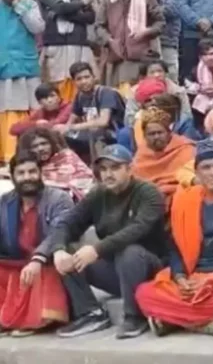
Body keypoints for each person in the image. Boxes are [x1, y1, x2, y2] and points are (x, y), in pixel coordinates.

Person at [49, 145, 166, 339]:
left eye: (114, 168)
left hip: (150, 270)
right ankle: (91, 313)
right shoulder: (98, 194)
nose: (108, 174)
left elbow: (137, 230)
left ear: (129, 169)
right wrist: (59, 249)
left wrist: (97, 249)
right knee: (68, 252)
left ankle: (134, 317)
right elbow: (68, 222)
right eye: (103, 169)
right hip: (114, 271)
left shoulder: (149, 193)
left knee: (130, 251)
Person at [135, 139, 213, 338]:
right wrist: (179, 278)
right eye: (206, 167)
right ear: (197, 173)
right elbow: (174, 245)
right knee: (144, 293)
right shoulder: (185, 199)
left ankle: (173, 320)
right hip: (190, 275)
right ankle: (203, 323)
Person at [0, 153, 74, 335]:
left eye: (32, 171)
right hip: (18, 261)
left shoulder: (58, 198)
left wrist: (38, 258)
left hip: (48, 260)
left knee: (44, 268)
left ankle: (35, 321)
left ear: (41, 173)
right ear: (12, 176)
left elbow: (60, 232)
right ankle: (6, 320)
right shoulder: (5, 202)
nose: (27, 177)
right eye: (21, 173)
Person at [36, 0, 97, 103]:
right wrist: (81, 4)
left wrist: (63, 12)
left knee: (83, 87)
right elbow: (60, 7)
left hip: (79, 45)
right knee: (58, 89)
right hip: (57, 47)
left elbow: (90, 17)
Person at [98, 0, 164, 89]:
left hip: (143, 57)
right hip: (118, 58)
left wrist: (147, 31)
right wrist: (109, 40)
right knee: (120, 96)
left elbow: (160, 22)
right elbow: (99, 25)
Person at [0, 0, 44, 162]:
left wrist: (19, 7)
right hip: (4, 69)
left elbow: (38, 28)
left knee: (32, 110)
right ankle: (9, 156)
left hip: (27, 67)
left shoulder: (29, 4)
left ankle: (32, 154)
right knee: (8, 110)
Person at [131, 107, 197, 207]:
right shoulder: (141, 153)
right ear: (144, 136)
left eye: (160, 132)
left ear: (169, 133)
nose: (156, 137)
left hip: (181, 200)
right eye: (151, 134)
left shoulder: (185, 149)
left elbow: (189, 179)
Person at [62, 62, 126, 161]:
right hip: (92, 134)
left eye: (87, 77)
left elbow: (103, 121)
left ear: (93, 77)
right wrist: (63, 129)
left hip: (112, 134)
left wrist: (73, 127)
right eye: (79, 79)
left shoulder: (105, 93)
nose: (84, 81)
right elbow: (71, 120)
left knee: (95, 133)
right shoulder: (80, 96)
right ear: (74, 81)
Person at [16, 127, 94, 202]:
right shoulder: (26, 165)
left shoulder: (67, 157)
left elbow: (87, 180)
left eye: (44, 143)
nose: (41, 148)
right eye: (35, 146)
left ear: (51, 144)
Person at [124, 60, 192, 128]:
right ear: (145, 76)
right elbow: (130, 118)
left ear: (165, 73)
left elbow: (186, 114)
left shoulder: (178, 92)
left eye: (160, 71)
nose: (157, 75)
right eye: (152, 72)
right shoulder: (135, 92)